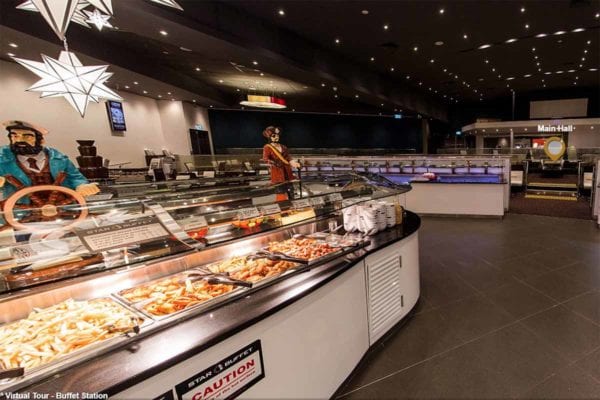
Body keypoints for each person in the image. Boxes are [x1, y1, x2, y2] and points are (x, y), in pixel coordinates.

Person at [0, 120, 99, 202]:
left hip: (62, 209)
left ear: (41, 140)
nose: (19, 140)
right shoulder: (3, 160)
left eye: (27, 136)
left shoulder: (59, 159)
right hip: (21, 212)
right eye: (15, 136)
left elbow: (75, 177)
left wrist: (82, 185)